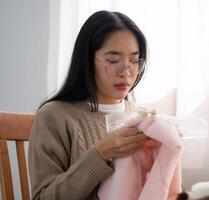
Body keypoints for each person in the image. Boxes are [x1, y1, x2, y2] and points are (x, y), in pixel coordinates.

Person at [28, 10, 152, 200]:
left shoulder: (140, 117)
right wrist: (100, 154)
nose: (126, 72)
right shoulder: (54, 116)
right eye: (113, 61)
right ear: (87, 60)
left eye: (134, 61)